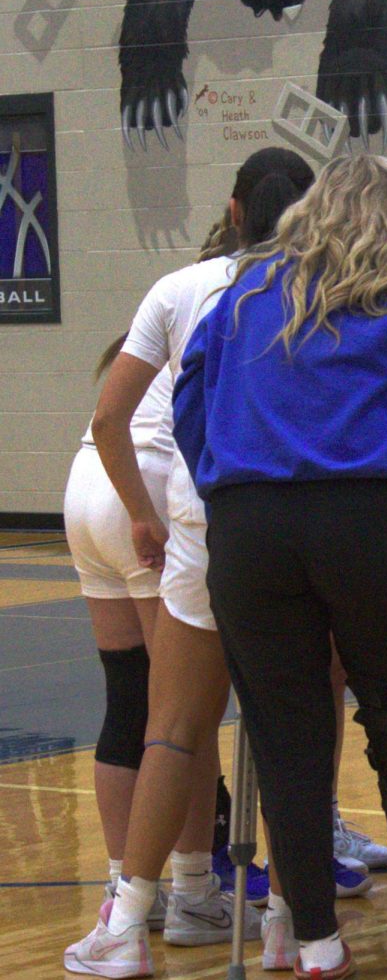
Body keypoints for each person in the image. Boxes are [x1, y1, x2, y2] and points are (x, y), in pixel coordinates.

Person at [172, 153, 387, 980]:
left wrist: (223, 478)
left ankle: (316, 950)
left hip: (250, 530)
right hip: (365, 523)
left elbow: (189, 397)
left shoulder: (244, 292)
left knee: (285, 734)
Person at [64, 148, 316, 980]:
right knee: (289, 729)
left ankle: (130, 919)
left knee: (167, 723)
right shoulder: (334, 284)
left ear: (235, 210)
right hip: (304, 517)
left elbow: (109, 418)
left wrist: (142, 514)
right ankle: (288, 922)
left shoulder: (178, 289)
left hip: (191, 516)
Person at [63, 217, 241, 933]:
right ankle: (193, 891)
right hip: (143, 483)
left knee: (128, 703)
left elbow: (108, 419)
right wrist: (144, 512)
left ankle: (123, 889)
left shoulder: (168, 299)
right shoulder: (241, 299)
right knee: (180, 713)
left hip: (85, 484)